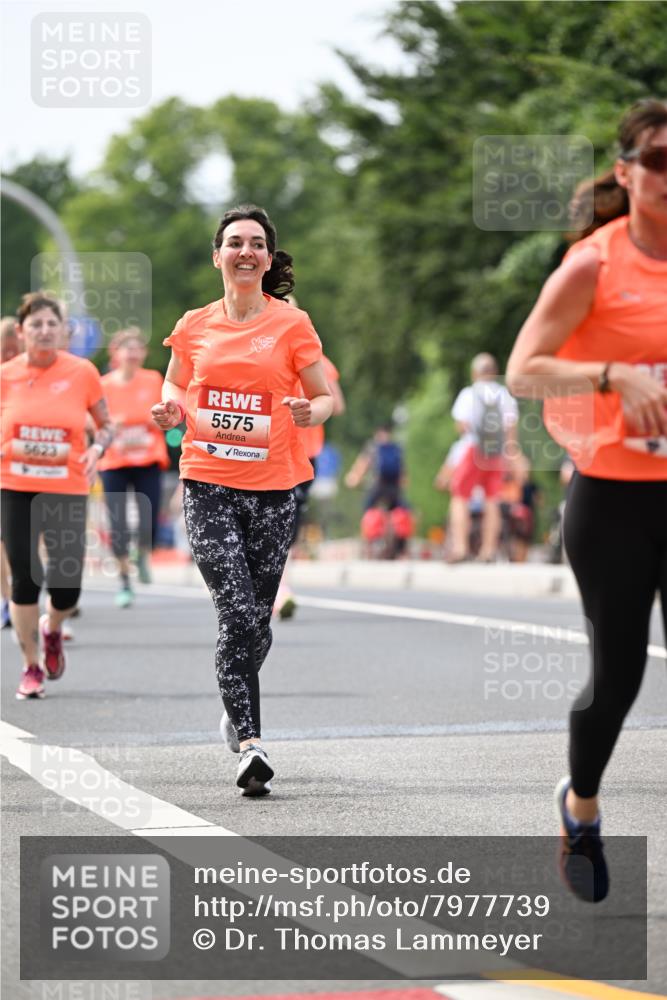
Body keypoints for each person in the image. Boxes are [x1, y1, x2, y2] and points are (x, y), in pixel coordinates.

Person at [507, 98, 667, 902]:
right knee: (618, 678)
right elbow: (522, 370)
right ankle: (580, 805)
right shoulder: (593, 265)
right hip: (615, 500)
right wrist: (611, 374)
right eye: (659, 160)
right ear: (626, 172)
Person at [152, 205, 332, 796]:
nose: (245, 251)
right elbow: (175, 380)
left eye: (256, 243)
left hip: (276, 487)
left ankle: (235, 697)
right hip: (207, 480)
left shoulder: (292, 325)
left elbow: (323, 396)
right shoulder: (195, 323)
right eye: (235, 242)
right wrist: (173, 407)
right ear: (218, 255)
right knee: (234, 609)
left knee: (256, 620)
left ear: (268, 257)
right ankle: (251, 745)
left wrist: (312, 411)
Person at [0, 292, 114, 699]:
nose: (44, 331)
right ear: (21, 331)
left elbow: (105, 425)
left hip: (66, 487)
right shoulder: (7, 374)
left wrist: (98, 449)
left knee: (67, 587)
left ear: (64, 331)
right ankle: (30, 666)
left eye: (52, 324)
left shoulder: (82, 372)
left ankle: (52, 627)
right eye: (36, 325)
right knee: (25, 580)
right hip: (15, 486)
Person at [98, 327, 170, 607]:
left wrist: (158, 419)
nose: (131, 353)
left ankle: (142, 553)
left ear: (144, 353)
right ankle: (125, 581)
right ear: (115, 353)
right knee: (118, 524)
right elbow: (92, 421)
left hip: (148, 459)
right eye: (126, 348)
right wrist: (109, 425)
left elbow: (167, 411)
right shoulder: (104, 384)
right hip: (114, 462)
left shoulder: (153, 380)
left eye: (136, 348)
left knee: (149, 520)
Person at [448, 353, 519, 562]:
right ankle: (488, 551)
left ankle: (461, 548)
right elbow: (511, 429)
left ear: (474, 373)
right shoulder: (504, 395)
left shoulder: (469, 394)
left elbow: (461, 426)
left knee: (460, 497)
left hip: (473, 450)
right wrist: (510, 455)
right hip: (496, 453)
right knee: (492, 500)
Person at [1, 317, 23, 628]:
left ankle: (27, 597)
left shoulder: (28, 377)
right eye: (3, 352)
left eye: (13, 352)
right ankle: (7, 599)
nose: (9, 358)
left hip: (30, 470)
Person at [345, 425, 406, 511]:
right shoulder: (396, 448)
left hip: (376, 485)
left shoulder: (373, 447)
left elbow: (363, 464)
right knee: (400, 509)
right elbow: (402, 470)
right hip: (394, 487)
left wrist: (354, 477)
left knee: (368, 509)